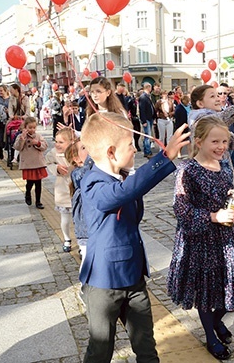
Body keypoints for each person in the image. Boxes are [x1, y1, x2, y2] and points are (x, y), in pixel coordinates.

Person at [79, 112, 189, 362]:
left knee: (147, 348)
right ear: (110, 152)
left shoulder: (122, 176)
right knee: (100, 351)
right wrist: (164, 157)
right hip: (103, 283)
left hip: (133, 278)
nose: (135, 149)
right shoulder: (93, 184)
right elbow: (123, 193)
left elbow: (129, 188)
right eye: (130, 145)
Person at [167, 115, 234, 361]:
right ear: (199, 141)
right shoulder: (187, 171)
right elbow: (181, 211)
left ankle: (216, 321)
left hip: (225, 239)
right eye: (215, 141)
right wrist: (213, 217)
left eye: (224, 141)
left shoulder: (225, 166)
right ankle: (211, 336)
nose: (221, 147)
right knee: (205, 290)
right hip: (198, 240)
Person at [46, 127, 75, 252]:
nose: (57, 145)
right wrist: (56, 168)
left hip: (77, 189)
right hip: (62, 189)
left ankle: (82, 241)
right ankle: (67, 238)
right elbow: (48, 163)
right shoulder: (53, 153)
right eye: (56, 141)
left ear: (71, 142)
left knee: (80, 219)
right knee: (65, 219)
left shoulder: (77, 151)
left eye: (61, 142)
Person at [65, 138, 91, 262]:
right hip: (85, 228)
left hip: (93, 227)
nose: (90, 149)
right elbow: (88, 171)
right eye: (85, 148)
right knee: (88, 262)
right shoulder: (78, 173)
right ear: (76, 158)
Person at [13, 116, 48, 209]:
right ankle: (28, 193)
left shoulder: (38, 136)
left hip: (38, 162)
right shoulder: (21, 136)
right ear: (25, 127)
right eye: (30, 128)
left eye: (34, 127)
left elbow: (45, 146)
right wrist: (22, 138)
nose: (32, 130)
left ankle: (38, 201)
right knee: (30, 182)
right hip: (28, 163)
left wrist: (38, 143)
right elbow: (17, 147)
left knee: (38, 183)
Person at [139, 83, 156, 158]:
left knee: (147, 135)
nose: (151, 89)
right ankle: (148, 151)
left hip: (150, 118)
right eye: (150, 87)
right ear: (148, 87)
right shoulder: (143, 97)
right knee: (147, 135)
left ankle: (146, 151)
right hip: (146, 119)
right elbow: (141, 110)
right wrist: (144, 121)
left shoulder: (147, 96)